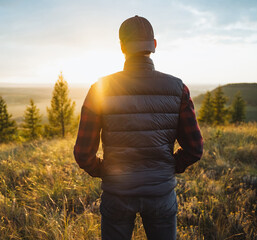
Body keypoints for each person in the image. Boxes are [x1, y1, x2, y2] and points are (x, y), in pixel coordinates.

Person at [74, 15, 203, 240]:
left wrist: (105, 171)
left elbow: (83, 153)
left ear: (122, 47)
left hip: (117, 195)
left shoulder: (100, 89)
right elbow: (194, 149)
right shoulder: (178, 88)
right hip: (161, 194)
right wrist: (168, 167)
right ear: (154, 45)